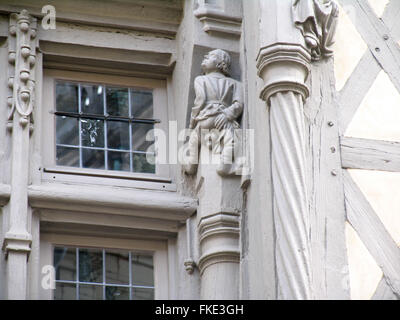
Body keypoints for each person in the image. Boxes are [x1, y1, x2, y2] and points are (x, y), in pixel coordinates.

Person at [183, 49, 243, 176]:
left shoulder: (200, 79)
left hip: (206, 119)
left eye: (210, 56)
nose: (205, 56)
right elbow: (238, 104)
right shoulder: (236, 84)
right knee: (231, 139)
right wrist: (227, 114)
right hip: (224, 118)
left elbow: (199, 101)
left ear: (220, 64)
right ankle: (225, 165)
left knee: (194, 139)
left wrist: (192, 121)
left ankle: (191, 166)